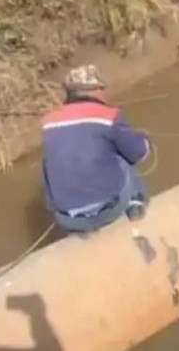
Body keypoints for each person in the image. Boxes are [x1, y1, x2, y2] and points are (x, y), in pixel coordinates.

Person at [41, 65, 150, 233]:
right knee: (122, 154)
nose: (105, 93)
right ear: (94, 91)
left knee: (49, 161)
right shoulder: (109, 116)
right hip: (108, 211)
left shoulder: (48, 122)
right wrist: (143, 138)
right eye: (102, 88)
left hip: (68, 219)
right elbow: (138, 153)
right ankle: (135, 203)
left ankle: (83, 228)